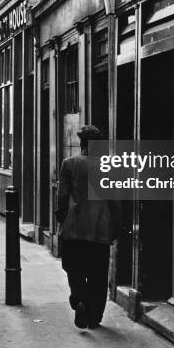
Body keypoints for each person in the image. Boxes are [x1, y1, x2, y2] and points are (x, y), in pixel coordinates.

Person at [56, 125, 120, 329]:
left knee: (73, 268)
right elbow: (114, 202)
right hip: (99, 231)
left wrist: (62, 222)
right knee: (98, 275)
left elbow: (62, 198)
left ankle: (79, 298)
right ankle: (94, 317)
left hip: (74, 229)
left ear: (81, 144)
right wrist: (116, 227)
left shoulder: (69, 164)